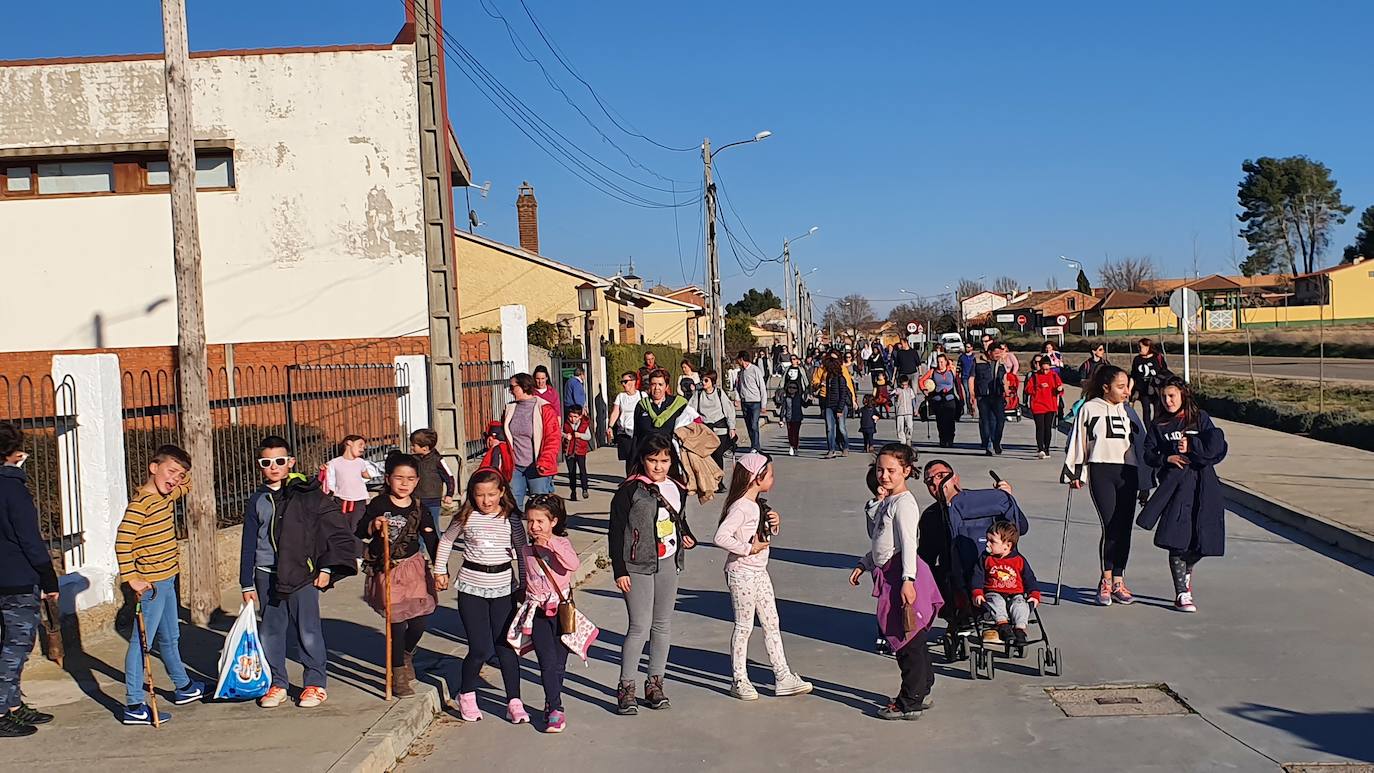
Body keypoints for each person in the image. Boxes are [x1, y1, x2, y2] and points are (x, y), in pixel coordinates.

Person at [240, 435, 358, 710]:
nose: (273, 466)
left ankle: (315, 683)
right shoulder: (257, 499)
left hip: (302, 574)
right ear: (260, 466)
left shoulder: (306, 493)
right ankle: (277, 682)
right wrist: (246, 582)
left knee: (308, 631)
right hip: (265, 572)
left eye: (280, 461)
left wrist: (326, 567)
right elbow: (248, 542)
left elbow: (327, 532)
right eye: (266, 462)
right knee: (271, 631)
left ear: (290, 462)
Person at [848, 444, 939, 721]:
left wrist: (907, 581)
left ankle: (908, 700)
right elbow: (882, 541)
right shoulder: (888, 501)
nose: (884, 476)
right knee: (914, 637)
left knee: (905, 638)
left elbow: (909, 544)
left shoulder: (905, 504)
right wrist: (865, 563)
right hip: (891, 570)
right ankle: (921, 688)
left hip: (903, 573)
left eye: (891, 471)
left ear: (907, 471)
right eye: (880, 470)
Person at [116, 444, 205, 724]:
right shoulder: (141, 504)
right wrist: (132, 578)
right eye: (170, 471)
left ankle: (183, 687)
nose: (175, 479)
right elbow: (122, 542)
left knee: (171, 638)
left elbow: (188, 484)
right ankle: (133, 704)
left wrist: (179, 473)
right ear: (153, 467)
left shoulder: (166, 497)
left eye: (179, 474)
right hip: (151, 585)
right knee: (141, 644)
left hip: (169, 580)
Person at [609, 435, 697, 715]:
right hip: (636, 565)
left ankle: (655, 684)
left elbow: (677, 519)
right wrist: (619, 570)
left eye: (664, 460)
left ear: (672, 461)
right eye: (652, 460)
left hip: (668, 562)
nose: (658, 466)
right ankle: (626, 688)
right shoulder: (629, 491)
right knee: (639, 626)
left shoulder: (676, 488)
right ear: (642, 460)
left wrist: (687, 535)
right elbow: (615, 531)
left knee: (662, 625)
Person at [434, 468, 529, 723]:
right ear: (472, 496)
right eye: (480, 495)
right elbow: (445, 541)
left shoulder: (511, 519)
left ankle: (514, 701)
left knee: (505, 647)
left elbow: (522, 552)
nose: (486, 501)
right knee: (479, 648)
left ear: (502, 493)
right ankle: (467, 694)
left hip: (503, 588)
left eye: (491, 494)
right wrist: (439, 570)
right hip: (471, 588)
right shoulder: (466, 517)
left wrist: (525, 584)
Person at [713, 452, 811, 700]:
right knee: (744, 626)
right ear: (757, 478)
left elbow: (759, 533)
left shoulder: (756, 505)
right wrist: (748, 549)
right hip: (742, 573)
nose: (773, 479)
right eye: (770, 475)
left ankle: (783, 675)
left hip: (759, 572)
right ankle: (739, 679)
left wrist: (774, 524)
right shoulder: (740, 507)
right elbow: (721, 537)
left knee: (772, 623)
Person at [1139, 378, 1229, 613]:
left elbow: (1217, 448)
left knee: (1203, 540)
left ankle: (1186, 571)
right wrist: (1165, 459)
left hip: (1204, 486)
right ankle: (1181, 593)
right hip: (1175, 488)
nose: (1168, 401)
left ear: (1183, 395)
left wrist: (1193, 445)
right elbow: (1148, 453)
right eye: (1164, 397)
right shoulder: (1158, 425)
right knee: (1175, 539)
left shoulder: (1200, 419)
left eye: (1172, 396)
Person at [1062, 365, 1148, 607]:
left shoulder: (1129, 412)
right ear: (1105, 387)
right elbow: (1078, 439)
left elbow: (1142, 446)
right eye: (1120, 387)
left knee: (1125, 528)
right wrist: (1075, 472)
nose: (1126, 392)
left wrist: (1146, 479)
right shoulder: (1089, 409)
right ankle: (1106, 580)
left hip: (1127, 472)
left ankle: (1119, 579)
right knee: (1110, 525)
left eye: (1127, 387)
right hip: (1102, 470)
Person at [357, 452, 438, 698]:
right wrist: (374, 525)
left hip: (413, 568)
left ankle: (407, 652)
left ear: (417, 481)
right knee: (396, 622)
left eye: (410, 479)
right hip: (388, 569)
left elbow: (431, 537)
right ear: (388, 478)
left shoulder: (418, 507)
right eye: (399, 478)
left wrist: (440, 567)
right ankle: (397, 673)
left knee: (418, 621)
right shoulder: (379, 504)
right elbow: (360, 529)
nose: (404, 483)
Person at [916, 459, 1023, 635]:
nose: (936, 482)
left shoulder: (986, 503)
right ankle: (957, 615)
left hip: (998, 571)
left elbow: (1021, 529)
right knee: (927, 572)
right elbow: (926, 556)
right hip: (956, 571)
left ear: (955, 479)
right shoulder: (931, 515)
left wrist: (1009, 500)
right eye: (929, 481)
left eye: (941, 476)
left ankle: (985, 618)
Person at [0, 422, 60, 736]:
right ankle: (2, 708)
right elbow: (30, 540)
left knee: (9, 645)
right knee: (16, 646)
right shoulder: (13, 488)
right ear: (14, 453)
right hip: (17, 579)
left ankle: (12, 704)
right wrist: (48, 578)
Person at [517, 494, 582, 733]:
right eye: (530, 521)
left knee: (559, 663)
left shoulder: (561, 544)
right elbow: (528, 580)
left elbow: (573, 565)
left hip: (562, 610)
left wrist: (550, 544)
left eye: (540, 522)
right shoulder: (526, 549)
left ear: (553, 521)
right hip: (538, 612)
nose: (534, 527)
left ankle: (550, 698)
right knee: (546, 661)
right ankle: (555, 707)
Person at [972, 521, 1041, 645]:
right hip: (994, 592)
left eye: (992, 542)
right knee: (996, 602)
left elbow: (1029, 578)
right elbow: (978, 576)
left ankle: (1020, 629)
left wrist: (1034, 594)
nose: (987, 544)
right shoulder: (985, 559)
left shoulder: (1018, 560)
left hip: (1016, 593)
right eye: (987, 540)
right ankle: (1003, 626)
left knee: (1020, 605)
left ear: (1007, 546)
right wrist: (977, 592)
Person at [504, 372, 562, 509]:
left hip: (537, 467)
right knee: (512, 507)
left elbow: (553, 438)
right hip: (516, 467)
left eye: (512, 387)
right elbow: (504, 433)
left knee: (539, 507)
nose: (510, 390)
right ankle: (516, 531)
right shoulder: (510, 408)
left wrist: (545, 460)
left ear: (524, 386)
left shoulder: (544, 408)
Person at [631, 369, 701, 479]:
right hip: (647, 463)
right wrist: (632, 465)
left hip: (671, 461)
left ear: (666, 386)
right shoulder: (641, 405)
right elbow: (636, 436)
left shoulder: (679, 404)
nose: (657, 388)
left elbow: (696, 425)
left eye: (660, 384)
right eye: (653, 384)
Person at [690, 369, 736, 479]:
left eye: (706, 380)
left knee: (718, 455)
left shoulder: (719, 393)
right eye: (702, 380)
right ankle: (709, 479)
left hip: (720, 429)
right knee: (707, 456)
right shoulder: (699, 394)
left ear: (712, 381)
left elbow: (729, 410)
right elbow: (691, 409)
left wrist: (732, 428)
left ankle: (719, 480)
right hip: (705, 429)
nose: (703, 383)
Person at [968, 342, 1010, 456]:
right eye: (995, 353)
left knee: (1000, 420)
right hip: (983, 397)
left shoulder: (1001, 363)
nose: (998, 355)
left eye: (999, 353)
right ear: (989, 352)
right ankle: (989, 444)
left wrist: (1007, 391)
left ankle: (997, 441)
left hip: (997, 396)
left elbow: (1005, 378)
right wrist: (972, 395)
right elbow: (971, 378)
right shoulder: (978, 362)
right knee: (986, 421)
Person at [409, 428, 456, 532]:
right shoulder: (413, 460)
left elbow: (449, 477)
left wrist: (449, 494)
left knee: (432, 527)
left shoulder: (438, 460)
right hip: (416, 499)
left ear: (425, 448)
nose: (411, 448)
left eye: (413, 445)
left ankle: (436, 547)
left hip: (432, 500)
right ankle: (420, 548)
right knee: (417, 528)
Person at [812, 353, 858, 459]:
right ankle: (831, 450)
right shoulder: (827, 377)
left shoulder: (841, 378)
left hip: (840, 406)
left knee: (841, 427)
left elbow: (843, 394)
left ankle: (845, 447)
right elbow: (825, 391)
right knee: (829, 428)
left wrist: (841, 408)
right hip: (829, 405)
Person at [323, 434, 380, 516]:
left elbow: (366, 474)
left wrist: (374, 474)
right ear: (349, 443)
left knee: (357, 523)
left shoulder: (361, 462)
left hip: (359, 499)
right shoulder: (334, 463)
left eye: (364, 447)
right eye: (360, 444)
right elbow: (329, 479)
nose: (363, 448)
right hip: (341, 500)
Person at [1025, 357, 1065, 458]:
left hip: (1050, 406)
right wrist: (1038, 387)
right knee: (1040, 427)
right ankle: (1040, 448)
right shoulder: (1035, 376)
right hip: (1038, 405)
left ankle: (1046, 448)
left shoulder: (1054, 376)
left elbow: (1060, 390)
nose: (1045, 371)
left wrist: (1059, 389)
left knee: (1048, 428)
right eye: (1043, 369)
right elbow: (1028, 389)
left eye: (1047, 369)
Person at [607, 371, 643, 475]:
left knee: (638, 457)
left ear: (633, 382)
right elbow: (615, 412)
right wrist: (610, 426)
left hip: (638, 432)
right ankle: (630, 480)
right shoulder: (621, 396)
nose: (623, 384)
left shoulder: (642, 395)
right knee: (629, 459)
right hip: (624, 432)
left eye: (625, 381)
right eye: (622, 382)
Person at [1130, 338, 1171, 426]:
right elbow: (1133, 376)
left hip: (1156, 389)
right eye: (1138, 347)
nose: (1139, 349)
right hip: (1143, 390)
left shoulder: (1157, 358)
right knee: (1146, 410)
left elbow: (1164, 372)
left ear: (1148, 347)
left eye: (1141, 347)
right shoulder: (1137, 359)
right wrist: (1129, 390)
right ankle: (1148, 431)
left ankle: (1155, 428)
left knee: (1157, 410)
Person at [734, 351, 767, 454]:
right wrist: (737, 398)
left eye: (739, 360)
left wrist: (764, 404)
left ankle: (756, 447)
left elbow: (762, 387)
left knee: (754, 424)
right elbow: (737, 386)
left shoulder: (755, 370)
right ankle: (753, 444)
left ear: (742, 359)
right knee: (748, 425)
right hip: (745, 402)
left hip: (755, 402)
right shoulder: (741, 372)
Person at [927, 354, 960, 448]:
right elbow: (921, 381)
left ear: (946, 362)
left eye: (942, 362)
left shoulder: (951, 370)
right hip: (938, 400)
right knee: (940, 421)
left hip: (950, 399)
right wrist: (925, 390)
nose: (940, 364)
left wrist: (961, 398)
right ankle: (942, 439)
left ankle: (950, 439)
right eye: (938, 362)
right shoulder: (932, 372)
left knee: (950, 421)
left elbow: (958, 384)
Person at [562, 404, 592, 501]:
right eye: (570, 416)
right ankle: (573, 491)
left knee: (582, 471)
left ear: (580, 416)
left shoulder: (584, 424)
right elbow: (559, 432)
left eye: (575, 417)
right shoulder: (566, 424)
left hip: (580, 451)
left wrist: (580, 435)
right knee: (571, 472)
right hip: (569, 451)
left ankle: (584, 489)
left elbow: (589, 436)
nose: (572, 419)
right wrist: (565, 436)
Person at [778, 379, 806, 457]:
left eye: (794, 388)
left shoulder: (799, 397)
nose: (792, 389)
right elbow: (783, 409)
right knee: (790, 433)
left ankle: (795, 447)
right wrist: (781, 419)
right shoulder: (786, 398)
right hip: (789, 418)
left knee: (796, 433)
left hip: (798, 418)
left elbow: (805, 405)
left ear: (797, 389)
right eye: (790, 387)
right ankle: (791, 446)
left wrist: (809, 400)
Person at [893, 375, 917, 446]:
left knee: (910, 426)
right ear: (900, 384)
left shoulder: (910, 390)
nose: (904, 386)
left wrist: (915, 408)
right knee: (900, 427)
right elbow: (890, 396)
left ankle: (908, 438)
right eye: (903, 385)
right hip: (900, 411)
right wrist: (895, 395)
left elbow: (913, 399)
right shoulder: (897, 390)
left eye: (906, 384)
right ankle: (902, 441)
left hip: (909, 411)